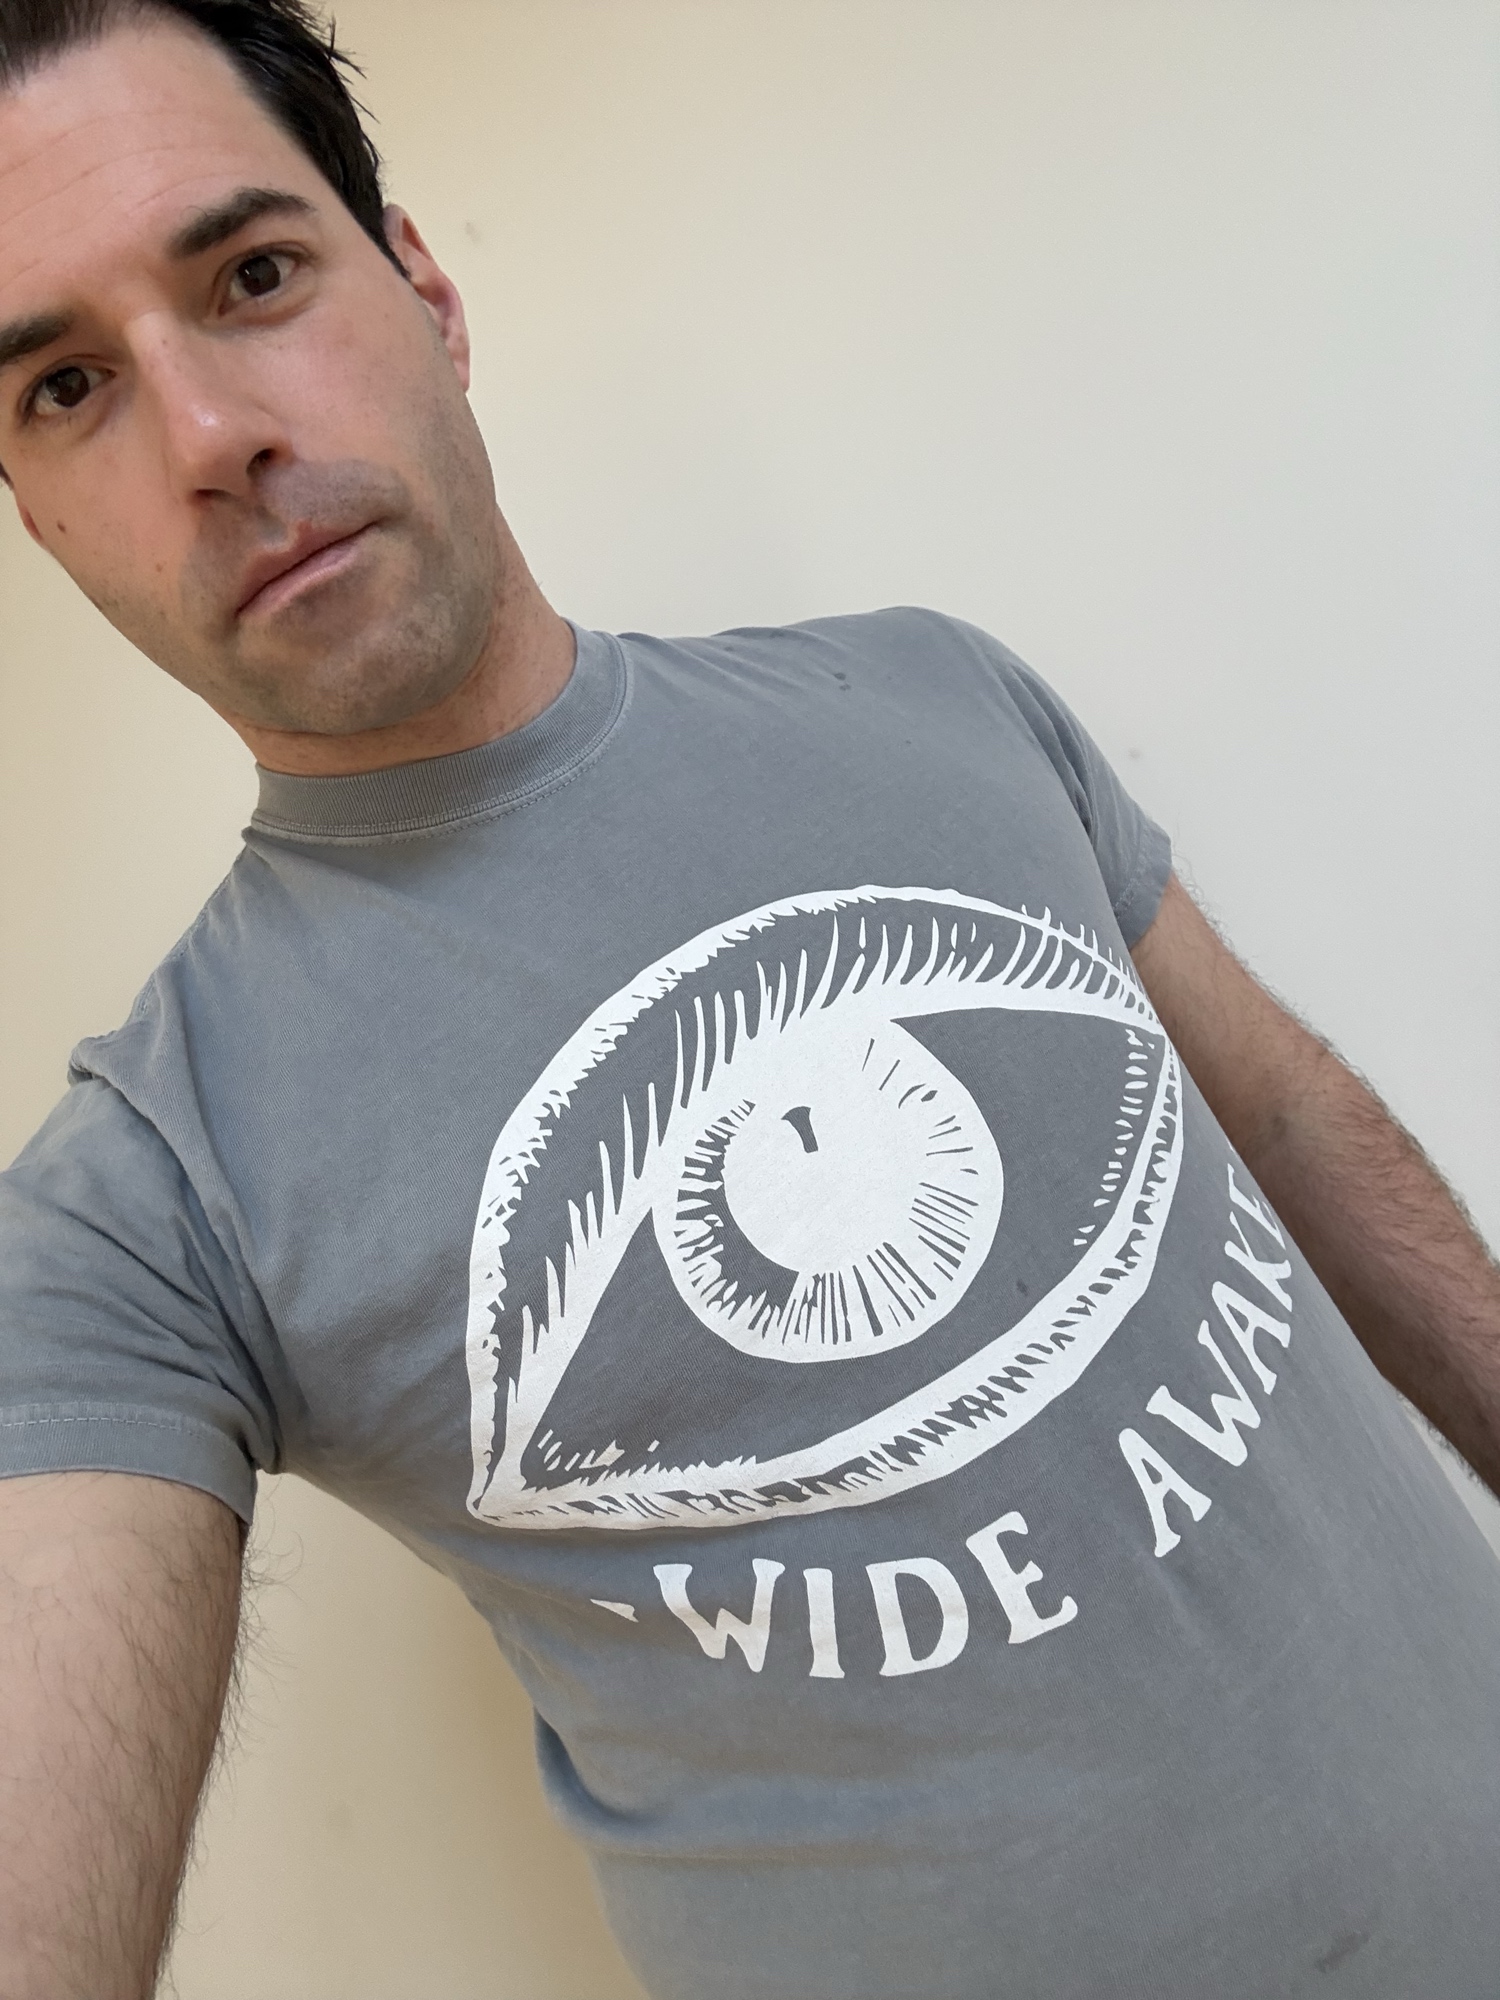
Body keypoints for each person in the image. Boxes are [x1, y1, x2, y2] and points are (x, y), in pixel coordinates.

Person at [1, 2, 1497, 1995]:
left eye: (253, 276)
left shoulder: (932, 688)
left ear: (424, 290)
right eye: (66, 388)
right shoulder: (145, 1199)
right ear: (38, 514)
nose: (210, 439)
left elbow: (1291, 1119)